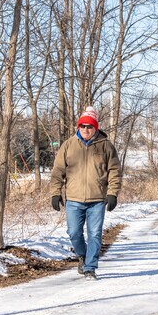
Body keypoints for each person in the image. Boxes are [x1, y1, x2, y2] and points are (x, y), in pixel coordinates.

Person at [50, 106, 122, 280]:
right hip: (73, 200)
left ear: (95, 127)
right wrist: (55, 193)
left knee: (95, 234)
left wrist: (112, 193)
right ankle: (82, 256)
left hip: (97, 200)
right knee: (74, 233)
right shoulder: (68, 145)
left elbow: (114, 171)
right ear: (78, 127)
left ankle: (90, 267)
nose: (86, 129)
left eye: (89, 126)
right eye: (82, 126)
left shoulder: (106, 146)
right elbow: (57, 171)